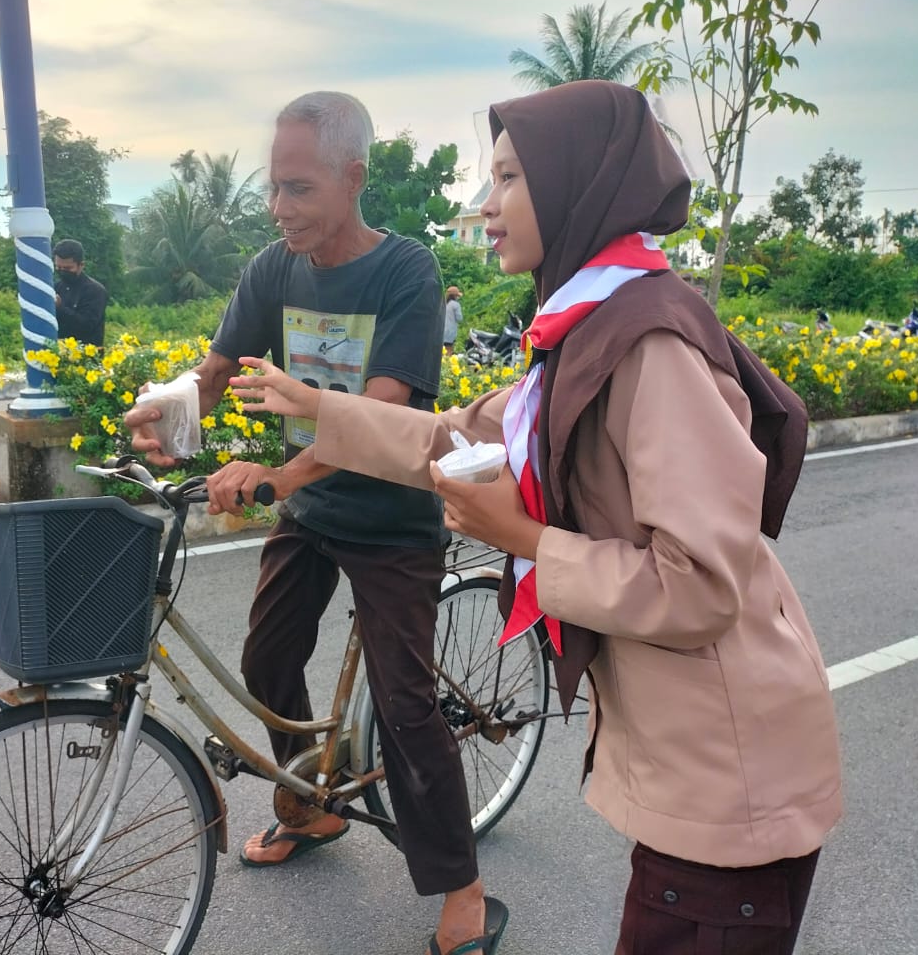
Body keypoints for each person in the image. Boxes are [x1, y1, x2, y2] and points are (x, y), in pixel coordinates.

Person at [228, 81, 842, 955]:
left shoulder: (651, 347)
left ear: (575, 182)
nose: (487, 206)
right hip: (694, 757)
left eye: (510, 178)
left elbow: (702, 586)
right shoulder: (586, 330)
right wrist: (314, 408)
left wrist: (519, 538)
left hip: (729, 773)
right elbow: (451, 434)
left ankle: (459, 892)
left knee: (409, 705)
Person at [127, 91, 504, 955]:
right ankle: (307, 806)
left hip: (393, 516)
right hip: (311, 505)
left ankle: (464, 888)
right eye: (273, 189)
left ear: (352, 178)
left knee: (408, 709)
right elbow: (216, 371)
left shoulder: (405, 272)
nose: (279, 208)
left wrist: (276, 473)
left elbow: (381, 411)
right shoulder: (274, 269)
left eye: (298, 189)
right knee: (267, 658)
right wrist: (169, 408)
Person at [53, 239, 108, 347]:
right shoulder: (56, 287)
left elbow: (86, 325)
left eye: (68, 268)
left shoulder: (95, 291)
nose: (62, 271)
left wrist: (60, 308)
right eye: (59, 267)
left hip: (86, 358)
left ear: (81, 265)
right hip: (57, 355)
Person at [443, 285, 463, 353]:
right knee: (449, 351)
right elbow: (459, 318)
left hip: (440, 332)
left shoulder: (443, 304)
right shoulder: (456, 305)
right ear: (454, 296)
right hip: (450, 333)